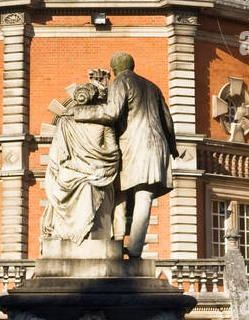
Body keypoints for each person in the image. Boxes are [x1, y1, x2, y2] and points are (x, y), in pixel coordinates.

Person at [70, 52, 178, 258]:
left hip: (134, 146)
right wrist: (172, 148)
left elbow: (112, 112)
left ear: (115, 69)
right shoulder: (153, 87)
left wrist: (79, 113)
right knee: (144, 196)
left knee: (118, 191)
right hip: (158, 147)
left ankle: (118, 243)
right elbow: (168, 121)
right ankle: (135, 250)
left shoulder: (121, 81)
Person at [41, 83, 120, 247]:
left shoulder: (98, 123)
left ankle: (80, 235)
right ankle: (75, 235)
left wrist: (97, 167)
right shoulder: (72, 123)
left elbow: (112, 152)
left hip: (85, 171)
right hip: (80, 170)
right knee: (86, 184)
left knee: (87, 185)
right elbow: (113, 153)